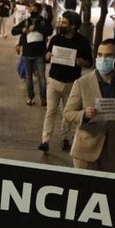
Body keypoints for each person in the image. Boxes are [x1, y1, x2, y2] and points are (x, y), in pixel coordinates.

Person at [64, 39, 115, 171]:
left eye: (108, 56)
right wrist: (84, 115)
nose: (103, 59)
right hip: (86, 150)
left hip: (112, 151)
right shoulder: (82, 83)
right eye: (99, 55)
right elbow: (68, 113)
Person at [39, 10, 93, 153]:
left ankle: (65, 138)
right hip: (54, 81)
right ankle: (45, 140)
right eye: (61, 22)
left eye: (64, 23)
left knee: (67, 113)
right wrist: (48, 56)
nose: (61, 25)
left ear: (73, 26)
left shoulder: (82, 42)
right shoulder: (56, 39)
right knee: (50, 111)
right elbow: (46, 56)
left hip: (72, 83)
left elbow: (90, 62)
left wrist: (83, 61)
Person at [12, 0, 51, 106]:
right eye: (30, 9)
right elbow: (14, 31)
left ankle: (44, 98)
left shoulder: (43, 21)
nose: (32, 11)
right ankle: (30, 97)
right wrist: (23, 32)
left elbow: (49, 31)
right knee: (28, 77)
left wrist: (37, 28)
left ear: (38, 10)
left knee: (42, 77)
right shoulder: (26, 22)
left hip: (40, 53)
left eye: (34, 9)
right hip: (27, 54)